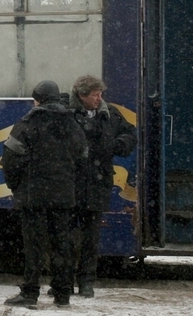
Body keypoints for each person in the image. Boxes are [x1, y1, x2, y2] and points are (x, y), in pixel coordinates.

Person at [2, 80, 87, 307]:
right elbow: (83, 158)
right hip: (63, 196)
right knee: (62, 244)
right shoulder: (72, 124)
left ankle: (30, 292)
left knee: (34, 247)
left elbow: (10, 159)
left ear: (38, 100)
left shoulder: (28, 123)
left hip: (33, 196)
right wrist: (69, 184)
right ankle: (62, 293)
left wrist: (16, 186)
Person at [69, 75, 137, 298]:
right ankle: (64, 281)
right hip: (71, 183)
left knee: (91, 238)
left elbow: (130, 134)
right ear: (82, 96)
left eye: (100, 94)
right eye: (95, 95)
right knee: (66, 237)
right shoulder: (67, 114)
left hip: (98, 184)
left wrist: (118, 145)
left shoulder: (110, 114)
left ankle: (86, 282)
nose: (99, 99)